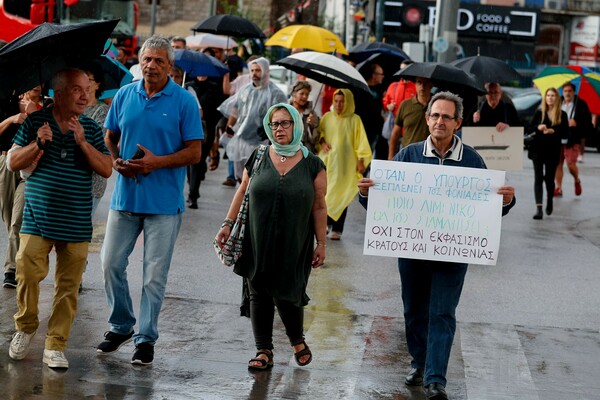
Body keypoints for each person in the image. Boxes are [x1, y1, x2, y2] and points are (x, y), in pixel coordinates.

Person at [358, 91, 516, 400]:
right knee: (414, 310)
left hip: (453, 251)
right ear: (427, 119)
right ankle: (419, 362)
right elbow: (384, 203)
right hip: (413, 249)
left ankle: (435, 379)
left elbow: (489, 206)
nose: (439, 121)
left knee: (442, 312)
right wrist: (367, 194)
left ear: (458, 122)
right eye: (434, 115)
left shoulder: (472, 159)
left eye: (446, 116)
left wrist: (506, 201)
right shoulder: (409, 155)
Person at [96, 36, 203, 366]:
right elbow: (110, 135)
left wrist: (157, 162)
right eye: (146, 59)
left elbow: (195, 151)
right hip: (125, 196)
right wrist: (116, 161)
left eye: (159, 60)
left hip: (164, 203)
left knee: (153, 276)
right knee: (110, 263)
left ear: (170, 66)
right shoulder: (126, 94)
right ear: (139, 62)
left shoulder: (184, 101)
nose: (151, 65)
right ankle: (122, 324)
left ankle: (145, 338)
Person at [6, 68, 112, 369]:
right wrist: (38, 143)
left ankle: (55, 344)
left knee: (68, 286)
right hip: (37, 218)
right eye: (77, 89)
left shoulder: (90, 128)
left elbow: (106, 168)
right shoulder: (36, 123)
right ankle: (26, 326)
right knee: (26, 271)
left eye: (86, 88)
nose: (84, 94)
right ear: (59, 93)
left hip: (77, 221)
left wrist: (82, 143)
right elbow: (13, 162)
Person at [215, 103, 327, 370]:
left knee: (288, 290)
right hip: (257, 237)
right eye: (275, 124)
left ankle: (296, 339)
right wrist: (228, 224)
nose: (279, 129)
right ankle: (263, 350)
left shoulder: (313, 165)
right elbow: (242, 191)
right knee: (258, 292)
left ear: (296, 125)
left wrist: (321, 243)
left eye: (285, 123)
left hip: (295, 241)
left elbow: (320, 205)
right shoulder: (258, 155)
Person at [217, 57, 287, 181]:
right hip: (241, 138)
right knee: (241, 176)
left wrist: (270, 131)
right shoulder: (245, 90)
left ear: (265, 71)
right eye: (252, 70)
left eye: (258, 70)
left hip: (261, 141)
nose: (254, 73)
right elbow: (235, 109)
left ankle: (251, 200)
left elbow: (282, 116)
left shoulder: (276, 93)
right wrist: (230, 126)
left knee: (256, 177)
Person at [317, 88, 372, 240]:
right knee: (326, 194)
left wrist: (361, 160)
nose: (339, 105)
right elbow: (320, 133)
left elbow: (361, 141)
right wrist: (322, 142)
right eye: (336, 101)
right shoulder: (327, 117)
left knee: (342, 195)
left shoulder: (355, 120)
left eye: (342, 101)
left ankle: (337, 228)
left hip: (346, 167)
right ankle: (325, 224)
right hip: (329, 164)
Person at [527, 87, 568, 220]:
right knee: (538, 177)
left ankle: (549, 200)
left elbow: (566, 133)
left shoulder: (562, 115)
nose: (550, 97)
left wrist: (553, 132)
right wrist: (538, 127)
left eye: (553, 95)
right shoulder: (539, 113)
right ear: (545, 98)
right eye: (548, 95)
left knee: (549, 179)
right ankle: (539, 208)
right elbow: (529, 128)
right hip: (537, 149)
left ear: (557, 99)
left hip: (553, 150)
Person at [554, 82, 590, 197]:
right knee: (558, 163)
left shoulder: (581, 104)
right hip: (559, 136)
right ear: (562, 92)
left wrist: (577, 123)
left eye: (570, 91)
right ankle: (558, 188)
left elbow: (587, 124)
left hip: (573, 138)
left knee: (570, 165)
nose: (567, 93)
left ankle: (577, 180)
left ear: (574, 92)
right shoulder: (558, 103)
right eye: (565, 91)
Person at [388, 77, 433, 159]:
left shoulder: (437, 105)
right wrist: (391, 157)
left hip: (431, 155)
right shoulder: (405, 105)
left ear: (431, 85)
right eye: (419, 82)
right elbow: (395, 133)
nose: (422, 86)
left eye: (425, 83)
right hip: (408, 155)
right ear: (415, 84)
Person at [354, 63, 387, 159]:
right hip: (364, 129)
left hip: (378, 130)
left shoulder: (381, 90)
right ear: (374, 75)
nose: (382, 77)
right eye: (381, 74)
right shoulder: (361, 89)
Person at [289, 80, 319, 153]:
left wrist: (311, 127)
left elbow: (315, 140)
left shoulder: (311, 114)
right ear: (294, 94)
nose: (305, 97)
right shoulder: (285, 110)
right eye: (302, 93)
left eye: (307, 94)